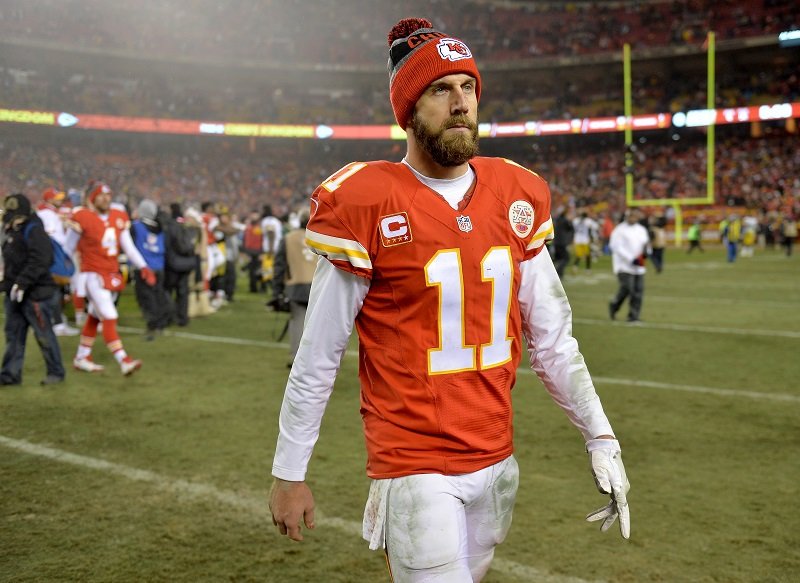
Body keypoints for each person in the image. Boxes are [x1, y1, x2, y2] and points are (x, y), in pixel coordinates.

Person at [268, 18, 630, 582]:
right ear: (409, 108)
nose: (460, 102)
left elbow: (554, 341)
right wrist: (290, 471)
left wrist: (601, 436)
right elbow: (318, 355)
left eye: (468, 87)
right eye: (441, 89)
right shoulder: (366, 199)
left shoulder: (517, 192)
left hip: (496, 455)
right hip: (415, 464)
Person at [64, 182, 156, 376]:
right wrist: (60, 269)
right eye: (101, 195)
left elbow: (128, 247)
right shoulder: (82, 216)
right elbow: (67, 248)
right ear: (92, 198)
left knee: (94, 316)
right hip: (92, 274)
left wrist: (143, 266)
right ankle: (124, 361)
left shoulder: (118, 216)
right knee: (110, 315)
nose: (106, 199)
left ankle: (81, 357)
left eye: (108, 195)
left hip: (111, 273)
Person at [1, 193, 66, 386]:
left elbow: (41, 260)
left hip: (37, 294)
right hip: (16, 295)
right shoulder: (13, 230)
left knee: (44, 334)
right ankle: (10, 374)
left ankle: (56, 372)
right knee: (13, 335)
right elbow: (12, 267)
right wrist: (7, 286)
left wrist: (23, 283)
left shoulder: (34, 230)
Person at [270, 208, 316, 368]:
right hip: (319, 286)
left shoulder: (288, 238)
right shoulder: (324, 237)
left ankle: (296, 358)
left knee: (297, 322)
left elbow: (279, 266)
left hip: (297, 286)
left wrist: (276, 292)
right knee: (322, 324)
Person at [36, 187, 79, 336]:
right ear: (49, 199)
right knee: (55, 288)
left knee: (55, 289)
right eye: (57, 197)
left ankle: (55, 320)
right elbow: (53, 237)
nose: (60, 199)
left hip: (52, 255)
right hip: (53, 255)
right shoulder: (47, 214)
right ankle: (57, 323)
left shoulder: (49, 212)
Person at [130, 199, 172, 340]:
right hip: (159, 266)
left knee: (146, 298)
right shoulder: (160, 228)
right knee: (158, 295)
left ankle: (152, 325)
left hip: (144, 267)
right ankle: (161, 322)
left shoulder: (136, 226)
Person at [608, 209, 650, 323]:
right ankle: (614, 305)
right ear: (627, 217)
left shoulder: (641, 229)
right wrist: (631, 259)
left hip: (639, 266)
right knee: (627, 288)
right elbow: (615, 246)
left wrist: (647, 253)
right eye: (631, 216)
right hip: (623, 266)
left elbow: (646, 244)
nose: (633, 218)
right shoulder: (620, 230)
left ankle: (634, 316)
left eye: (635, 216)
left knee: (638, 291)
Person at [549, 206, 574, 279]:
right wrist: (570, 221)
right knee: (566, 258)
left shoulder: (557, 219)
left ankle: (559, 274)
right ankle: (557, 272)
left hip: (556, 242)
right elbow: (570, 228)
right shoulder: (565, 220)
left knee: (558, 259)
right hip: (561, 242)